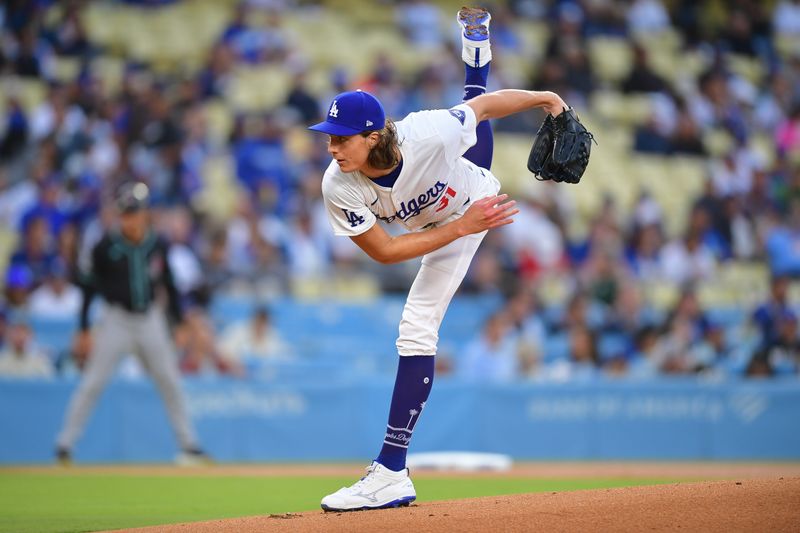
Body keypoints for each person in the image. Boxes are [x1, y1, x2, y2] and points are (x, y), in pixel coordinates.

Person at [308, 7, 567, 512]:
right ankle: (475, 54)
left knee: (416, 325)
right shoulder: (337, 185)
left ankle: (390, 470)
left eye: (342, 138)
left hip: (474, 202)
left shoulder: (425, 132)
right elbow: (384, 253)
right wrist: (456, 229)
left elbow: (489, 109)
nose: (332, 147)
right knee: (468, 117)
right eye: (329, 137)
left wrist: (546, 99)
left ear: (374, 135)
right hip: (446, 221)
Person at [54, 182, 209, 466]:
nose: (131, 218)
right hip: (116, 319)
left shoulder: (156, 242)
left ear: (144, 213)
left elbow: (169, 285)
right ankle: (65, 444)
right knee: (92, 383)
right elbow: (88, 290)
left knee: (170, 382)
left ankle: (189, 445)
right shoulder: (105, 245)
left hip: (150, 318)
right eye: (126, 212)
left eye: (135, 212)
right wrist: (84, 328)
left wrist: (179, 324)